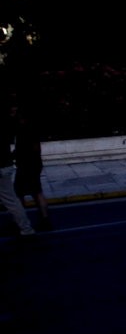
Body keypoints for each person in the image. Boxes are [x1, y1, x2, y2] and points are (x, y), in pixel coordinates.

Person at [11, 98, 53, 231]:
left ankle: (21, 221)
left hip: (27, 165)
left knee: (19, 194)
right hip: (33, 164)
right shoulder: (28, 126)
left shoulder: (24, 128)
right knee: (36, 192)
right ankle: (44, 219)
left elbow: (32, 148)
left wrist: (18, 155)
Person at [1, 95, 36, 236]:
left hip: (2, 166)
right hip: (5, 164)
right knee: (11, 200)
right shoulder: (9, 123)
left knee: (10, 201)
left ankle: (26, 228)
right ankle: (25, 227)